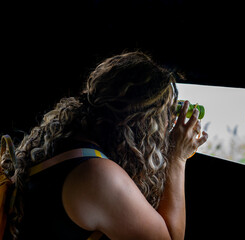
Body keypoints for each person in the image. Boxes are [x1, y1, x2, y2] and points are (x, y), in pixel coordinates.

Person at [1, 51, 208, 239]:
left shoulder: (66, 139)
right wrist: (177, 157)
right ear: (142, 124)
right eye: (163, 115)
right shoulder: (98, 175)